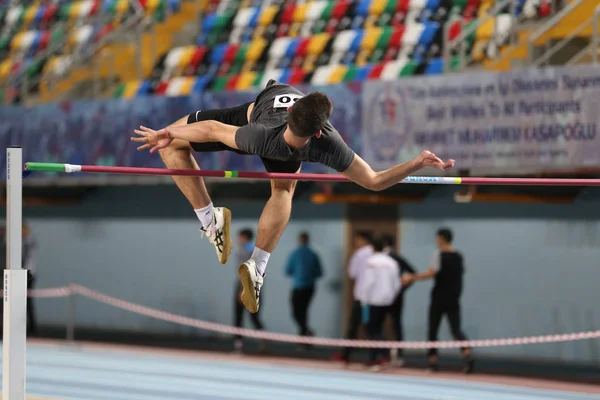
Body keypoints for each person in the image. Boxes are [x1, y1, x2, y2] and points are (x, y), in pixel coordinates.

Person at [131, 80, 455, 314]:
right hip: (260, 118)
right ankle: (253, 261)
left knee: (172, 145)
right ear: (319, 129)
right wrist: (416, 161)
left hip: (261, 118)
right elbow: (374, 181)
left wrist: (169, 133)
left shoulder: (265, 137)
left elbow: (214, 129)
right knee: (284, 186)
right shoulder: (324, 142)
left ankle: (214, 224)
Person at [412, 228, 474, 373]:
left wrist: (413, 277)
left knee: (433, 329)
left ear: (440, 239)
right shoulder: (459, 256)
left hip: (439, 297)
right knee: (456, 329)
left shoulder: (438, 255)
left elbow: (431, 273)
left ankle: (432, 362)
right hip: (454, 297)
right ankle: (467, 354)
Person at [358, 236, 411, 371]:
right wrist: (392, 296)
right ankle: (375, 358)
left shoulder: (371, 262)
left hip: (374, 300)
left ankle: (384, 353)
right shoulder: (392, 263)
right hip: (388, 301)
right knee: (381, 328)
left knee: (372, 328)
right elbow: (397, 284)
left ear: (373, 248)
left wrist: (363, 300)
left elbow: (367, 283)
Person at [331, 231, 373, 363]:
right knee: (372, 326)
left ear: (363, 240)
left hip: (361, 296)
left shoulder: (359, 254)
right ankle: (377, 355)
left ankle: (346, 354)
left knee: (355, 326)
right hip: (374, 297)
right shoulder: (376, 253)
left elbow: (352, 273)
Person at [380, 234, 417, 367]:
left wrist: (400, 287)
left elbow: (412, 273)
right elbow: (413, 273)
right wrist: (401, 288)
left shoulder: (385, 258)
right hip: (396, 295)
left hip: (384, 296)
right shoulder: (398, 257)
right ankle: (397, 353)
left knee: (380, 324)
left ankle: (384, 353)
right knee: (396, 324)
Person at [233, 228, 266, 353]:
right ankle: (263, 340)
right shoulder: (256, 250)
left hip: (245, 286)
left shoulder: (245, 251)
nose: (238, 240)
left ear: (244, 237)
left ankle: (238, 345)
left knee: (238, 316)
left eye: (239, 237)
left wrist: (242, 289)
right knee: (254, 317)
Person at [285, 232, 322, 340]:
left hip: (298, 287)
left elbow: (288, 271)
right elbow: (319, 272)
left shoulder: (295, 254)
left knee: (296, 312)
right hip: (310, 287)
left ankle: (305, 332)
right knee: (304, 311)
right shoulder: (313, 254)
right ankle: (304, 335)